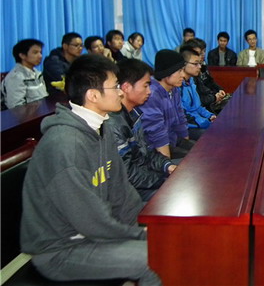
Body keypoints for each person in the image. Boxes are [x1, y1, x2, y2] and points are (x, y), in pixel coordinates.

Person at [20, 54, 161, 285]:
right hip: (61, 249)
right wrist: (140, 235)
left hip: (93, 235)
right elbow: (89, 220)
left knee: (170, 242)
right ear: (93, 95)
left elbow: (121, 192)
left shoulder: (101, 129)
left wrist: (142, 227)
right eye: (115, 86)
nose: (120, 92)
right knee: (158, 257)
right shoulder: (65, 145)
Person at [104, 58, 176, 202]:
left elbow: (147, 152)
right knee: (176, 197)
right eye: (146, 86)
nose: (149, 91)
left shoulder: (134, 113)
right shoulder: (113, 124)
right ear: (126, 87)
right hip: (130, 192)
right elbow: (127, 174)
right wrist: (163, 179)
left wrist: (167, 166)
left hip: (144, 179)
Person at [139, 50, 195, 159]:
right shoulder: (152, 94)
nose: (183, 75)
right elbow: (156, 132)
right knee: (193, 160)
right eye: (179, 71)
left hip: (172, 139)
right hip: (156, 149)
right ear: (166, 73)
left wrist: (186, 143)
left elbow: (180, 119)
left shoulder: (174, 89)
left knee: (201, 151)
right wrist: (167, 163)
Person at [183, 39, 231, 114]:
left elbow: (210, 82)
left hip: (208, 105)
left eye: (204, 51)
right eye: (199, 53)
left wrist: (219, 90)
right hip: (204, 108)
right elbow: (199, 100)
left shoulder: (203, 66)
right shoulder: (189, 76)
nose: (203, 54)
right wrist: (214, 97)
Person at [179, 47, 216, 139]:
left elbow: (198, 107)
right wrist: (205, 122)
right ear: (183, 65)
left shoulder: (191, 82)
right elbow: (182, 115)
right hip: (188, 126)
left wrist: (210, 116)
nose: (199, 67)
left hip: (199, 122)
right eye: (195, 64)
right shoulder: (178, 86)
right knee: (212, 136)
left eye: (200, 63)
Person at [2, 39, 48, 109]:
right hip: (30, 115)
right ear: (22, 55)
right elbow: (16, 108)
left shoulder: (37, 73)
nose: (40, 56)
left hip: (43, 112)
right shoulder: (16, 77)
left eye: (40, 52)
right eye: (35, 53)